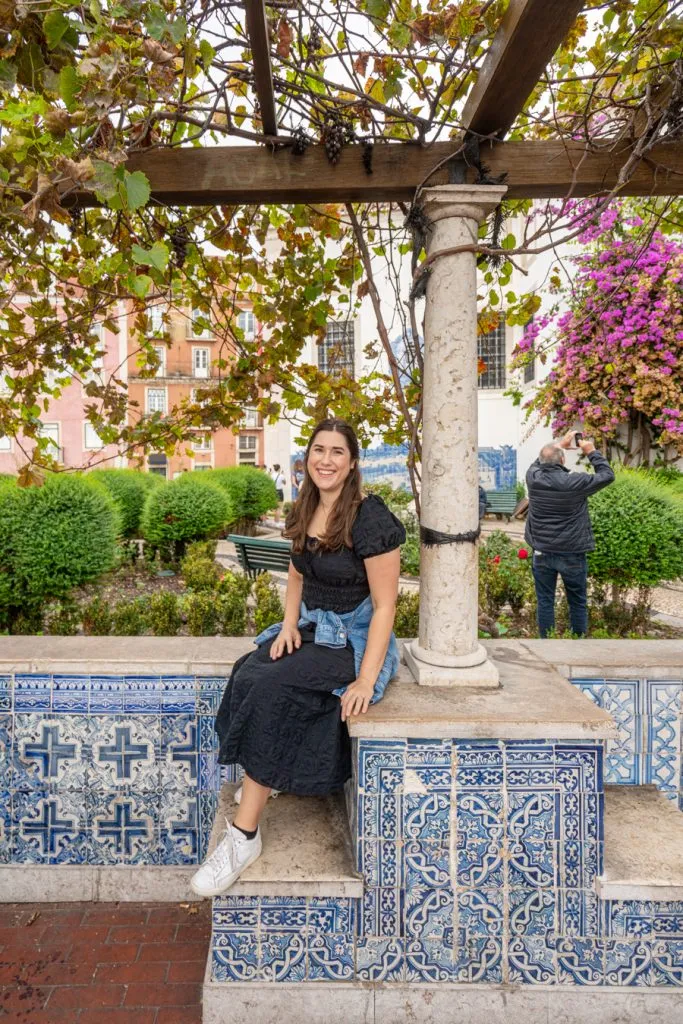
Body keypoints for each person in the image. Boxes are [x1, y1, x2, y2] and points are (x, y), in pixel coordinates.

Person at [191, 418, 406, 897]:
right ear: (307, 459)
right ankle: (273, 772)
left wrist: (366, 681)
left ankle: (244, 836)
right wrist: (289, 625)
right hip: (312, 627)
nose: (326, 460)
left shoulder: (369, 518)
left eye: (337, 452)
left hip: (354, 640)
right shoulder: (306, 505)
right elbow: (294, 577)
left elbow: (387, 606)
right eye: (318, 451)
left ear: (352, 463)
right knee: (249, 669)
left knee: (273, 685)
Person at [525, 430, 615, 638]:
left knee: (545, 601)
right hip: (572, 553)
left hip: (542, 552)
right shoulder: (576, 482)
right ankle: (577, 643)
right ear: (563, 460)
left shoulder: (533, 477)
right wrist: (592, 451)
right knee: (577, 602)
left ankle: (546, 643)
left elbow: (537, 462)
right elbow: (607, 475)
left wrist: (559, 444)